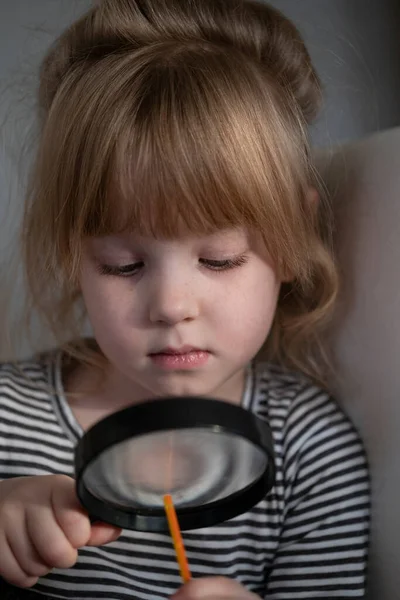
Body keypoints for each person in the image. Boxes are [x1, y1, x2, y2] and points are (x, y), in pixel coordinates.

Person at [0, 0, 370, 598]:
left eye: (219, 258)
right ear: (74, 255)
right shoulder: (7, 420)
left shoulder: (311, 450)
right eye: (123, 263)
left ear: (296, 233)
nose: (171, 305)